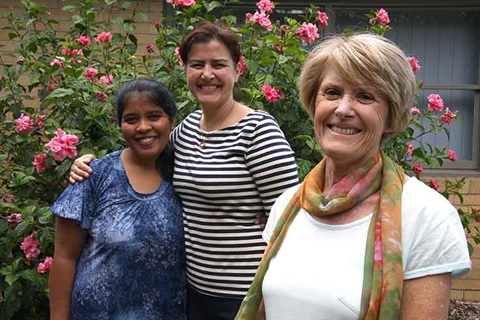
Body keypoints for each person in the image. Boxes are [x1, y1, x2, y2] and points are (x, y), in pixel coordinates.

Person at [68, 22, 300, 320]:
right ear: (186, 69)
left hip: (245, 296)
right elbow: (144, 157)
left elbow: (289, 222)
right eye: (197, 64)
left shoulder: (258, 130)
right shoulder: (187, 129)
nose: (207, 74)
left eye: (218, 64)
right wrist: (88, 167)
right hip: (191, 293)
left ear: (237, 69)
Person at [235, 33, 471, 320]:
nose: (343, 109)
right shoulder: (289, 204)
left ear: (391, 115)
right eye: (332, 92)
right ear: (313, 103)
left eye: (365, 96)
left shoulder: (426, 215)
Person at [49, 78, 186, 320]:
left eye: (154, 116)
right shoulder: (94, 176)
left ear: (171, 121)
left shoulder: (188, 177)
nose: (143, 127)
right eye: (131, 119)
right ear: (120, 125)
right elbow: (64, 257)